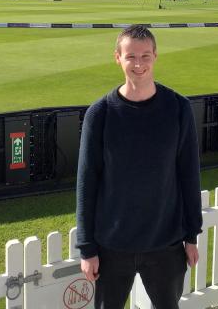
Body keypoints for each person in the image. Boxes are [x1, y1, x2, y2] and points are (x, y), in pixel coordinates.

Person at [76, 25, 202, 309]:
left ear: (156, 56)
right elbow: (87, 183)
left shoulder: (179, 108)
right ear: (117, 58)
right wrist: (87, 249)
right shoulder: (100, 114)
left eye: (145, 55)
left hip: (165, 244)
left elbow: (188, 175)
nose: (139, 64)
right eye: (131, 56)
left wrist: (191, 235)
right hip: (111, 245)